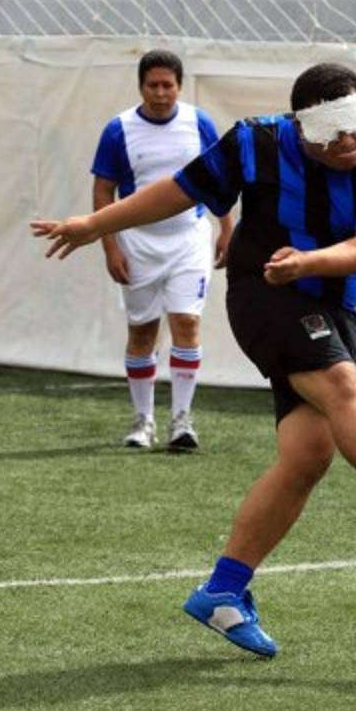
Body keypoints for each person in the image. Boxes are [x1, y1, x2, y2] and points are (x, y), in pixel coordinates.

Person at [33, 62, 356, 657]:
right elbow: (181, 190)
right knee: (345, 388)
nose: (349, 143)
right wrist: (97, 222)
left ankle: (222, 591)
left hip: (328, 298)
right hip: (264, 290)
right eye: (333, 134)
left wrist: (309, 262)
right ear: (302, 129)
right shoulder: (256, 140)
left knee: (307, 457)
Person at [91, 50, 234, 450]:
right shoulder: (119, 129)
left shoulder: (198, 123)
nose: (160, 93)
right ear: (141, 87)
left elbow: (219, 178)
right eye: (152, 85)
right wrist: (110, 246)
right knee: (142, 331)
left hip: (188, 238)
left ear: (179, 86)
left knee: (186, 323)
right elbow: (103, 191)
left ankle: (182, 420)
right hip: (136, 241)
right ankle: (143, 421)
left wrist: (227, 228)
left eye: (167, 85)